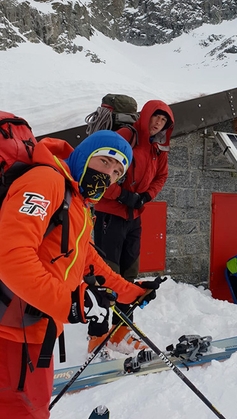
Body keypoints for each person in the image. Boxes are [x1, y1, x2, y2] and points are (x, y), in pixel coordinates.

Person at [0, 130, 156, 419]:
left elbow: (87, 262)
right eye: (105, 161)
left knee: (32, 410)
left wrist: (132, 292)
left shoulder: (77, 202)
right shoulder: (46, 182)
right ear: (85, 155)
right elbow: (10, 258)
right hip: (11, 331)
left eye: (117, 171)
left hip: (34, 328)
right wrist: (72, 302)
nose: (109, 174)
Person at [90, 100, 174, 354]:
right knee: (106, 276)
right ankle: (97, 335)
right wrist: (120, 195)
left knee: (129, 273)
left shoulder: (158, 148)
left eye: (164, 121)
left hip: (134, 216)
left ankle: (122, 329)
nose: (158, 123)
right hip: (110, 214)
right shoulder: (127, 135)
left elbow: (162, 176)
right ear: (146, 115)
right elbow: (103, 170)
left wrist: (146, 196)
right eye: (156, 117)